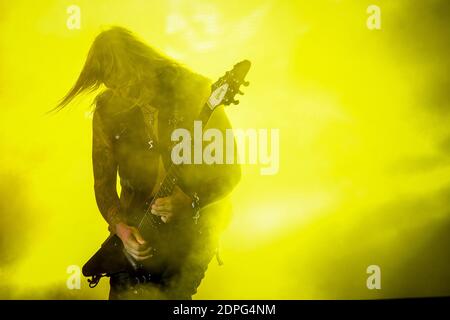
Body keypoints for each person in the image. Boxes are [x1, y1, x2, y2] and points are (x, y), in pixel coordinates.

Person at [56, 26, 241, 299]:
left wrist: (190, 201)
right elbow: (103, 184)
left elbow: (231, 172)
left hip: (193, 232)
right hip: (135, 233)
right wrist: (120, 228)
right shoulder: (108, 110)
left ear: (140, 61)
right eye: (114, 86)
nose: (124, 93)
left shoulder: (195, 91)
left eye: (127, 82)